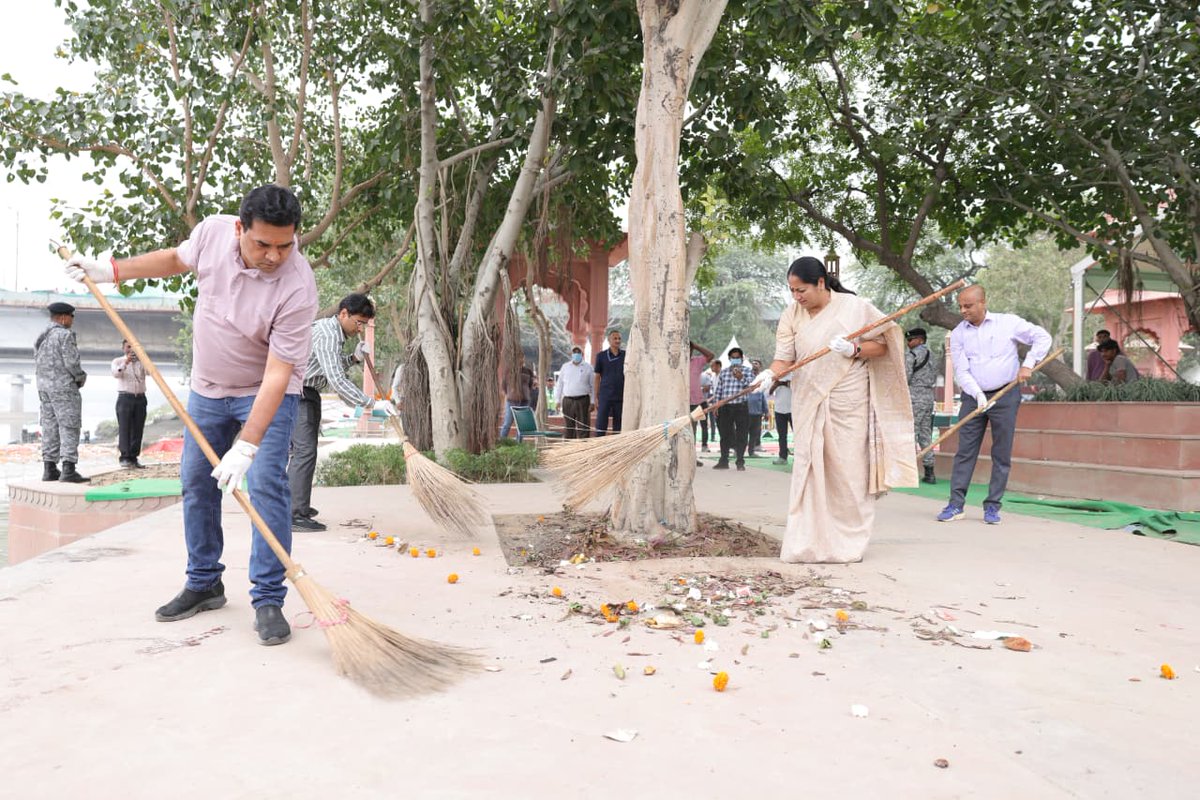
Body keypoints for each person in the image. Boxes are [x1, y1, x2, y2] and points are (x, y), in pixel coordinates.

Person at [65, 185, 317, 647]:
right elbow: (173, 259)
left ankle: (268, 598)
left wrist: (247, 446)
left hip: (265, 393)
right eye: (263, 244)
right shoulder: (212, 234)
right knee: (197, 482)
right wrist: (109, 271)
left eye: (285, 245)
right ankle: (204, 583)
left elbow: (278, 375)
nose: (274, 256)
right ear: (240, 228)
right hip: (207, 390)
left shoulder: (298, 285)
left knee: (266, 486)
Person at [766, 256, 917, 563]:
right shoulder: (791, 314)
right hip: (808, 399)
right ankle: (807, 543)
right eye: (792, 291)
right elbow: (783, 359)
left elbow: (885, 344)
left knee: (848, 473)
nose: (796, 297)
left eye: (801, 290)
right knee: (809, 470)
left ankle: (847, 543)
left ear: (821, 283)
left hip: (849, 402)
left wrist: (854, 348)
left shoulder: (854, 307)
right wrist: (770, 374)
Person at [938, 285, 1051, 525]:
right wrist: (978, 395)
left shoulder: (1008, 323)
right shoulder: (958, 333)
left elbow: (1042, 337)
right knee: (965, 450)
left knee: (1001, 451)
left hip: (1006, 395)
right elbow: (961, 370)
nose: (963, 310)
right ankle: (956, 505)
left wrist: (1028, 364)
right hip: (973, 397)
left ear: (982, 303)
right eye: (960, 306)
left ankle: (992, 506)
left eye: (968, 306)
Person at [289, 294, 396, 533]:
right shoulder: (328, 334)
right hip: (298, 394)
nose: (360, 329)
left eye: (364, 325)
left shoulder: (332, 332)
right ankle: (294, 514)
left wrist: (354, 358)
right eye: (358, 322)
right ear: (344, 313)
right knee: (304, 452)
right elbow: (336, 380)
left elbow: (328, 367)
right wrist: (372, 404)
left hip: (307, 392)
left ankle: (296, 505)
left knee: (303, 452)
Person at [34, 301, 90, 483]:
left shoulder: (41, 336)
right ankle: (68, 469)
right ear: (64, 317)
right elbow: (72, 363)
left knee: (49, 427)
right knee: (69, 426)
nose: (72, 320)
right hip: (64, 388)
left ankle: (49, 468)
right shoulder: (65, 335)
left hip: (44, 389)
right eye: (72, 316)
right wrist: (81, 377)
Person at [711, 346, 756, 471]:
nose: (735, 360)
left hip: (741, 407)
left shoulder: (747, 371)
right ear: (729, 359)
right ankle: (723, 460)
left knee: (742, 434)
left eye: (737, 358)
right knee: (724, 434)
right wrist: (716, 405)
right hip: (726, 407)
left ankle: (740, 461)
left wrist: (741, 378)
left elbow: (752, 387)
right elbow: (719, 390)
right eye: (733, 358)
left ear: (742, 358)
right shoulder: (724, 372)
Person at [905, 328, 938, 484]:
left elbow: (905, 377)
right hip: (928, 396)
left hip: (914, 397)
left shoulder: (911, 355)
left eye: (910, 340)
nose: (908, 343)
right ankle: (929, 472)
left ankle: (908, 472)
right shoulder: (933, 355)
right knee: (925, 434)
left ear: (920, 339)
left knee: (910, 433)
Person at [111, 339, 149, 469]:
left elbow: (150, 372)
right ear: (123, 348)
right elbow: (116, 373)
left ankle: (134, 457)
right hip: (125, 397)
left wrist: (143, 358)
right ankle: (125, 457)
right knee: (125, 428)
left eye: (133, 347)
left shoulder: (142, 362)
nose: (131, 350)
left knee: (138, 428)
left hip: (140, 397)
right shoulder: (117, 361)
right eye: (128, 347)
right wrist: (126, 362)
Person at [555, 345, 594, 439]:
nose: (576, 354)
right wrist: (557, 401)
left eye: (578, 352)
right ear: (571, 354)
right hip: (568, 400)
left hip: (583, 400)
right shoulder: (565, 367)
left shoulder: (588, 367)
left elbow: (593, 386)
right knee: (569, 427)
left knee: (583, 426)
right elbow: (560, 384)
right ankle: (569, 446)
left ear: (582, 354)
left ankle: (583, 446)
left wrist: (593, 402)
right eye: (574, 352)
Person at [593, 329, 626, 436]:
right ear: (609, 340)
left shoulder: (625, 355)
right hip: (605, 395)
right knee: (601, 423)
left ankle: (616, 444)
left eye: (619, 338)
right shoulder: (601, 356)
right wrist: (596, 396)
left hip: (620, 395)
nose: (617, 341)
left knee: (618, 424)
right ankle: (599, 443)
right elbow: (597, 377)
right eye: (615, 338)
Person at [688, 341, 715, 457]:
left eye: (689, 348)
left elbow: (711, 355)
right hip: (683, 402)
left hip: (698, 401)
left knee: (699, 428)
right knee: (688, 430)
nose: (687, 350)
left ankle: (698, 451)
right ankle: (689, 456)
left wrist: (696, 346)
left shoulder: (697, 361)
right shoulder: (674, 361)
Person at [499, 356, 536, 441]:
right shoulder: (508, 371)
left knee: (521, 425)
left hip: (524, 401)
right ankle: (502, 442)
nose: (520, 360)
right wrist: (511, 393)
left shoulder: (528, 371)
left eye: (522, 358)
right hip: (511, 400)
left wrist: (525, 392)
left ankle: (518, 442)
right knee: (507, 423)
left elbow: (530, 385)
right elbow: (504, 385)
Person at [770, 374, 792, 465]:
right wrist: (776, 384)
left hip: (793, 409)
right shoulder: (777, 375)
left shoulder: (795, 374)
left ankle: (800, 458)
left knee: (798, 435)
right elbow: (769, 392)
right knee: (782, 436)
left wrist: (785, 383)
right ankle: (782, 457)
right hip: (779, 410)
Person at [746, 371, 766, 457]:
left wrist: (766, 412)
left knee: (754, 434)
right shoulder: (745, 391)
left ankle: (751, 451)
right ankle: (739, 451)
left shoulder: (760, 391)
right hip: (746, 415)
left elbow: (763, 401)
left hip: (757, 415)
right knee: (743, 433)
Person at [701, 359, 720, 451]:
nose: (711, 367)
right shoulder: (713, 377)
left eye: (713, 366)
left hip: (717, 403)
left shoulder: (719, 376)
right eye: (711, 366)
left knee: (717, 424)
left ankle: (730, 446)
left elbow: (710, 390)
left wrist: (709, 400)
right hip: (711, 403)